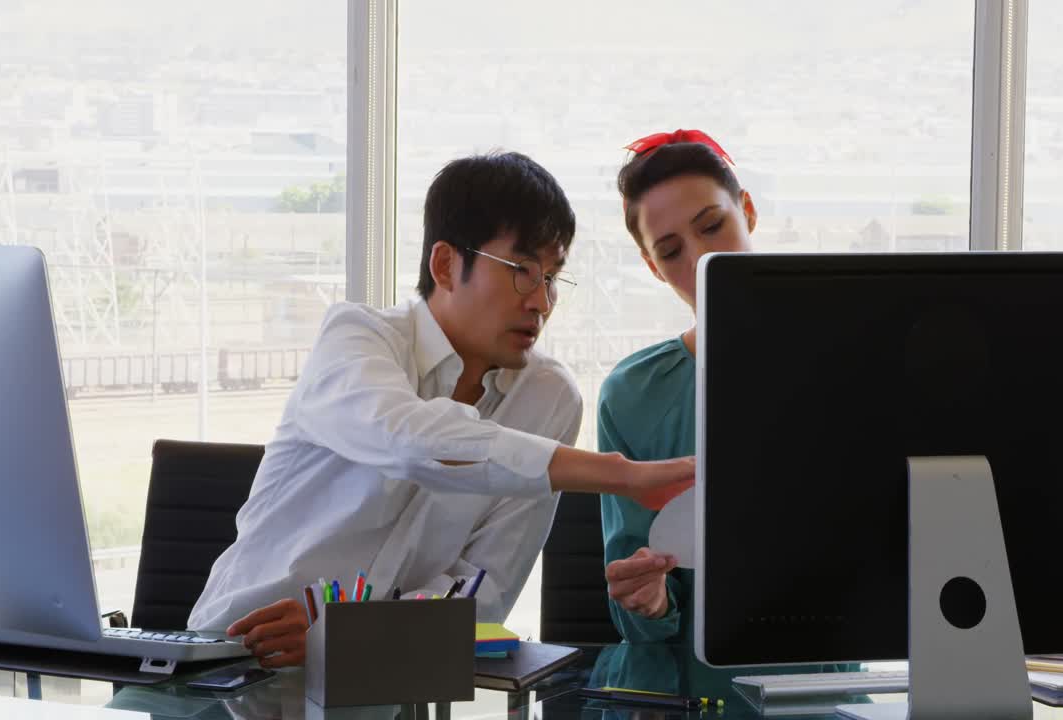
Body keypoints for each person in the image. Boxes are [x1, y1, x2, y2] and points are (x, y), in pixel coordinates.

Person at [189, 151, 696, 668]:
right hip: (229, 660)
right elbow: (411, 442)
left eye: (551, 278)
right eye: (522, 271)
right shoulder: (356, 338)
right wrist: (618, 474)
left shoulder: (548, 398)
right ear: (446, 264)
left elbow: (483, 598)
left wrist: (346, 638)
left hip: (382, 681)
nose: (541, 301)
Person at [598, 130, 753, 642]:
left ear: (746, 210)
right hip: (679, 689)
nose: (701, 259)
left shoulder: (843, 357)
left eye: (713, 226)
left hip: (821, 681)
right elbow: (630, 590)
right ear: (651, 267)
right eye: (670, 251)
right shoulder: (633, 394)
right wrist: (649, 598)